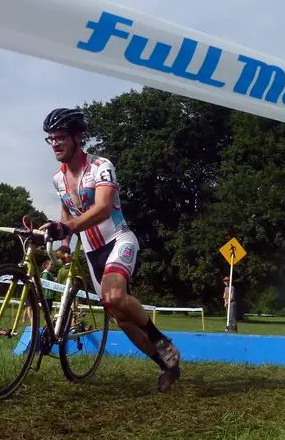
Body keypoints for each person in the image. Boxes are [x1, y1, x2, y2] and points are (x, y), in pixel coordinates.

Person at [37, 107, 181, 392]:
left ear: (79, 137)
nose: (54, 143)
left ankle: (161, 340)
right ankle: (165, 364)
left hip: (118, 240)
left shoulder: (101, 166)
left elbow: (103, 208)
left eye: (60, 137)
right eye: (50, 138)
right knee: (120, 316)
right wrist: (66, 242)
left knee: (115, 295)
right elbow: (67, 211)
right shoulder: (57, 178)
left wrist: (68, 228)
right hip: (92, 252)